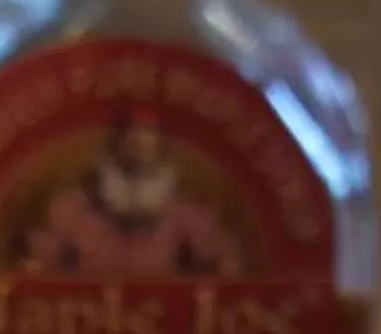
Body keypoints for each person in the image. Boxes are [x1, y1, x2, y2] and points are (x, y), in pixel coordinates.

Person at [22, 112, 243, 277]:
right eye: (131, 152)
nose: (139, 150)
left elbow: (228, 266)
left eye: (147, 152)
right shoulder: (73, 210)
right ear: (113, 151)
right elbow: (34, 269)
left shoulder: (186, 216)